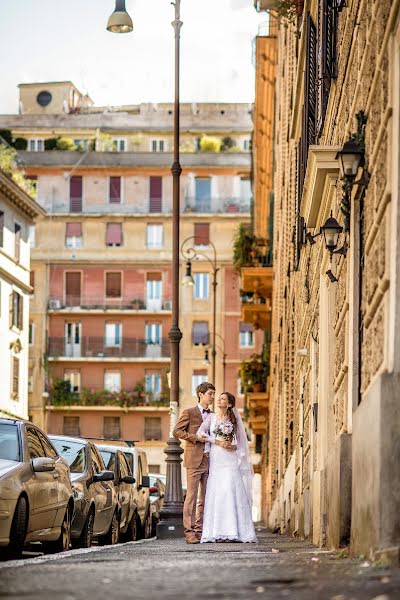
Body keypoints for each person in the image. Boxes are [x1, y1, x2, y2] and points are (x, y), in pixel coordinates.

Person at [198, 392, 257, 543]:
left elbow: (239, 444)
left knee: (231, 490)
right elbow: (200, 433)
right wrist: (216, 441)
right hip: (217, 458)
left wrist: (231, 446)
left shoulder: (234, 420)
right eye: (219, 398)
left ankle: (235, 531)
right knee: (218, 492)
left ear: (229, 404)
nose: (219, 399)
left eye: (223, 398)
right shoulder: (210, 418)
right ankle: (216, 531)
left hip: (229, 459)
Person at [172, 382, 215, 544]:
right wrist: (195, 437)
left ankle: (200, 530)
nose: (212, 397)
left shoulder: (214, 415)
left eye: (213, 394)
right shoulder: (189, 412)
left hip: (210, 460)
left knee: (205, 497)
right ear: (200, 394)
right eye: (210, 393)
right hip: (194, 459)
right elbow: (176, 431)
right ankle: (189, 532)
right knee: (191, 496)